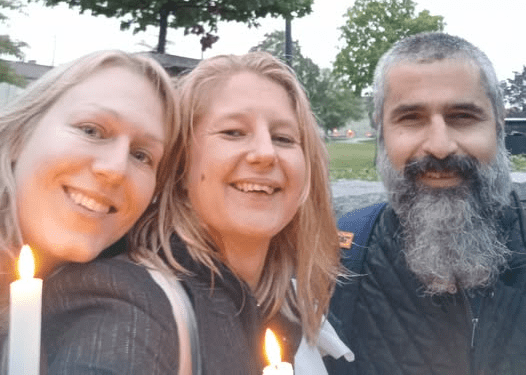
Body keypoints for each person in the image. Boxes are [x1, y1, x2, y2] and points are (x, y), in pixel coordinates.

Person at [42, 51, 342, 375]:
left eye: (283, 138)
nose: (266, 153)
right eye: (233, 132)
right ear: (181, 164)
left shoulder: (296, 306)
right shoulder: (127, 298)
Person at [326, 32, 526, 375]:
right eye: (411, 118)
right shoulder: (336, 265)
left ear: (499, 124)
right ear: (382, 132)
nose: (440, 146)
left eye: (462, 116)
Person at [0, 50, 178, 364]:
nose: (115, 169)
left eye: (141, 155)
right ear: (19, 135)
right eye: (91, 130)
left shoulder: (130, 302)